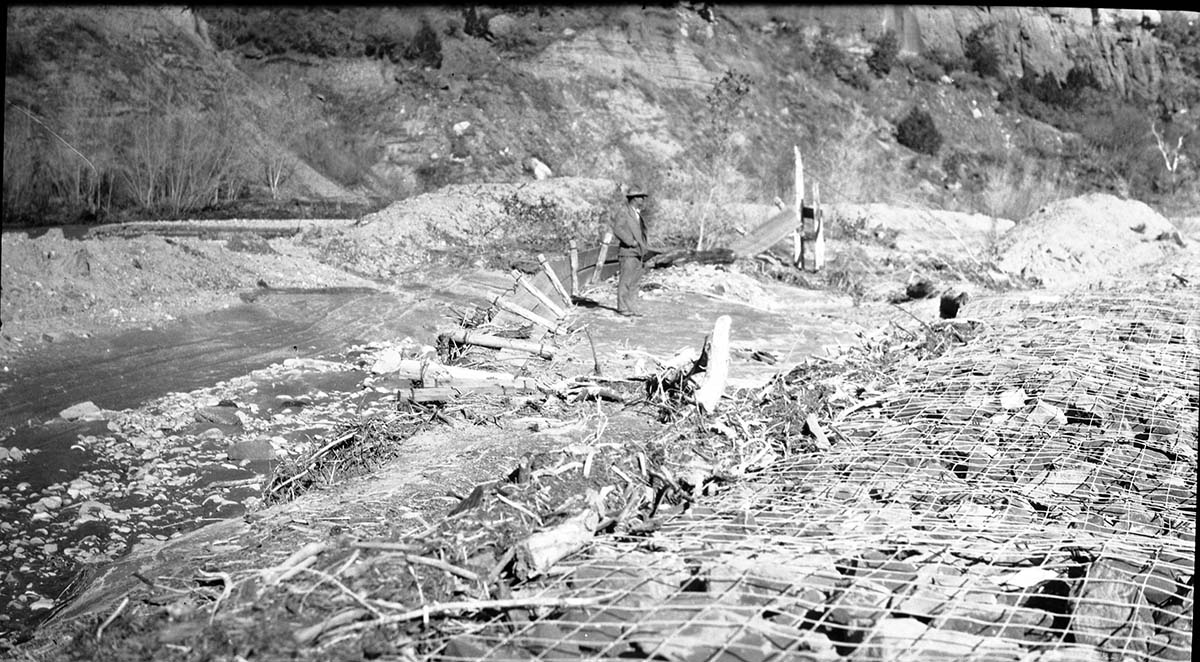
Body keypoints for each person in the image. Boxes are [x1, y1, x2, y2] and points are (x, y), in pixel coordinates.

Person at [611, 184, 650, 317]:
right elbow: (617, 229)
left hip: (638, 253)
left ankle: (632, 308)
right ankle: (622, 308)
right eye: (641, 197)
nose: (643, 200)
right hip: (628, 253)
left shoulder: (636, 213)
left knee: (635, 283)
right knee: (626, 281)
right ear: (634, 198)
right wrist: (630, 242)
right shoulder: (624, 212)